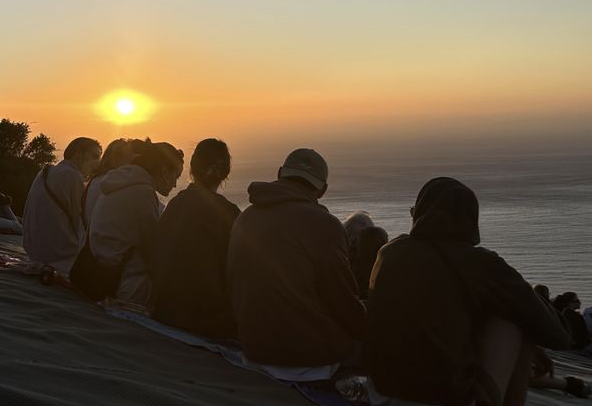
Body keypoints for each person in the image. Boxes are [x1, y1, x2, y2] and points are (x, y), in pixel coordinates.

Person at [366, 177, 573, 406]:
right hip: (438, 398)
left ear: (418, 214)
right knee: (512, 321)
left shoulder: (388, 252)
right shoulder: (478, 263)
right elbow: (559, 334)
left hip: (381, 394)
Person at [227, 147, 365, 380]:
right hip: (305, 361)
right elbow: (341, 300)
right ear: (322, 190)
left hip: (254, 350)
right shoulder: (324, 225)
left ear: (281, 173)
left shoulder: (245, 217)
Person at [75, 140, 183, 308]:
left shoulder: (118, 181)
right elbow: (153, 250)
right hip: (124, 286)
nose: (175, 184)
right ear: (163, 171)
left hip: (99, 274)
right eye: (176, 176)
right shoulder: (143, 193)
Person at [152, 138, 240, 338]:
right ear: (225, 173)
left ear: (192, 169)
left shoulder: (176, 205)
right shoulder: (230, 214)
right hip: (209, 319)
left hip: (167, 311)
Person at [22, 137, 102, 272]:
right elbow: (80, 222)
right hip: (57, 252)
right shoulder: (72, 176)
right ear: (78, 154)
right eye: (94, 156)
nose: (97, 162)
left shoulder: (45, 172)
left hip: (33, 249)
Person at [82, 137, 142, 228]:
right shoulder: (111, 184)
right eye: (132, 160)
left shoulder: (96, 181)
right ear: (116, 160)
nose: (135, 165)